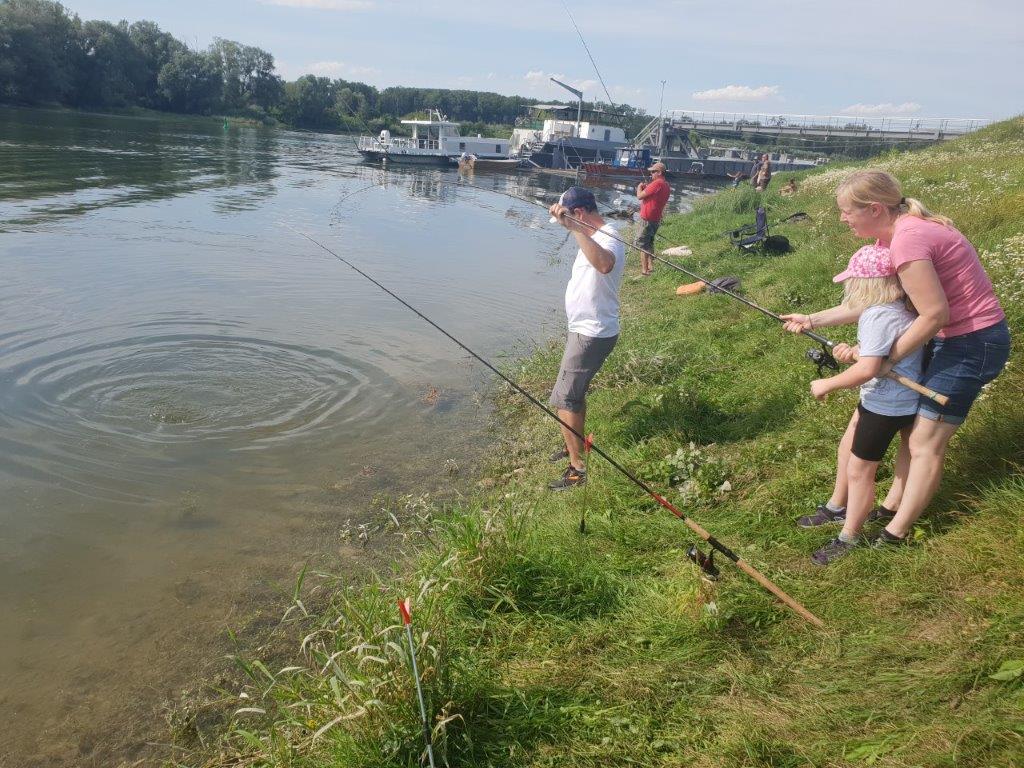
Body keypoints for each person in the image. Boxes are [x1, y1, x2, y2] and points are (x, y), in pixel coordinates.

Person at [782, 170, 1009, 547]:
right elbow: (882, 301)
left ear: (874, 209)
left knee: (924, 442)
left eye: (847, 211)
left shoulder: (908, 240)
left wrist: (884, 359)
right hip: (946, 340)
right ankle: (888, 508)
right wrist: (812, 319)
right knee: (911, 434)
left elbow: (935, 314)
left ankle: (894, 534)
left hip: (971, 343)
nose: (842, 218)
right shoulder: (897, 234)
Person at [795, 245, 925, 565]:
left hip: (885, 405)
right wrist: (855, 351)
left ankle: (849, 536)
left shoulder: (876, 315)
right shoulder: (900, 308)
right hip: (898, 401)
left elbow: (868, 369)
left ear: (866, 285)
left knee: (860, 471)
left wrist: (827, 383)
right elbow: (878, 356)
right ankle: (838, 508)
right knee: (847, 448)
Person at [546, 186, 626, 490]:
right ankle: (574, 446)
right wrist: (577, 229)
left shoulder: (608, 237)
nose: (564, 227)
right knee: (574, 395)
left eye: (566, 220)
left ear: (579, 213)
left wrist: (575, 229)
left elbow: (605, 264)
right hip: (583, 329)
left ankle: (577, 468)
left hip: (592, 332)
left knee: (564, 398)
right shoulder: (593, 236)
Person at [634, 161, 671, 277]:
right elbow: (655, 195)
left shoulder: (657, 183)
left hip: (647, 219)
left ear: (659, 172)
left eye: (653, 172)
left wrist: (639, 187)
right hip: (655, 219)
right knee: (650, 242)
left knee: (643, 244)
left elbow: (639, 196)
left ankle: (644, 271)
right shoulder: (666, 185)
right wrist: (647, 188)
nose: (651, 174)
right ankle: (651, 266)